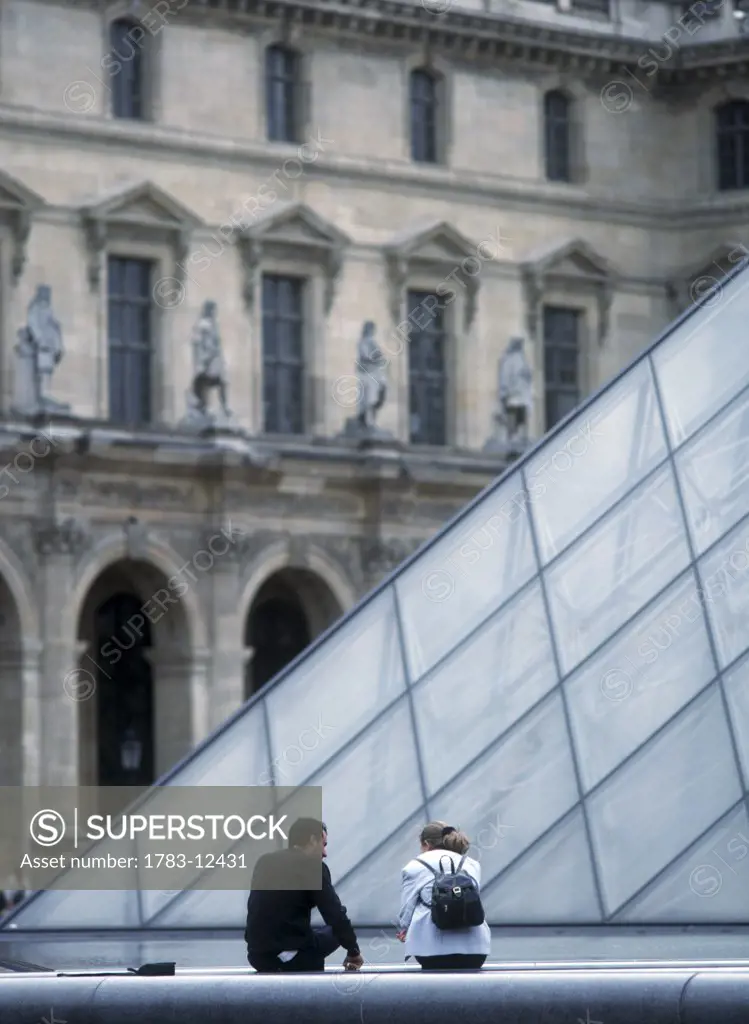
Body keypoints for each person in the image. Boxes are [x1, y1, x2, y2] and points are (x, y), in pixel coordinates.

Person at [245, 817, 364, 974]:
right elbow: (334, 914)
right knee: (337, 928)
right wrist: (353, 951)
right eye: (324, 845)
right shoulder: (314, 867)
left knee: (316, 934)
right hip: (292, 957)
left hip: (258, 957)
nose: (325, 853)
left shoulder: (264, 862)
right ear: (313, 840)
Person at [396, 820, 490, 970]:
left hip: (431, 948)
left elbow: (407, 906)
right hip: (475, 947)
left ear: (426, 843)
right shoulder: (472, 864)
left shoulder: (414, 866)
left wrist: (403, 930)